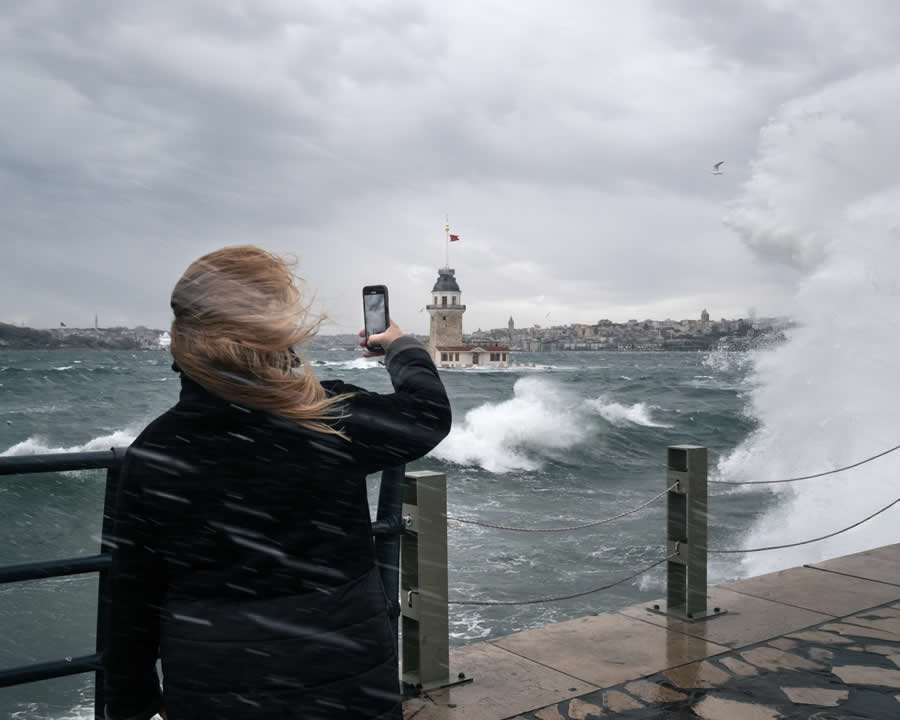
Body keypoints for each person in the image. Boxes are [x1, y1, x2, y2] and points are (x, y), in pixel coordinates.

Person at [103, 246, 451, 720]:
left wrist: (131, 702)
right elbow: (427, 414)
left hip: (216, 684)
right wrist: (399, 346)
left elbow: (132, 599)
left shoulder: (156, 450)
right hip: (343, 675)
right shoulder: (326, 416)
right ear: (278, 330)